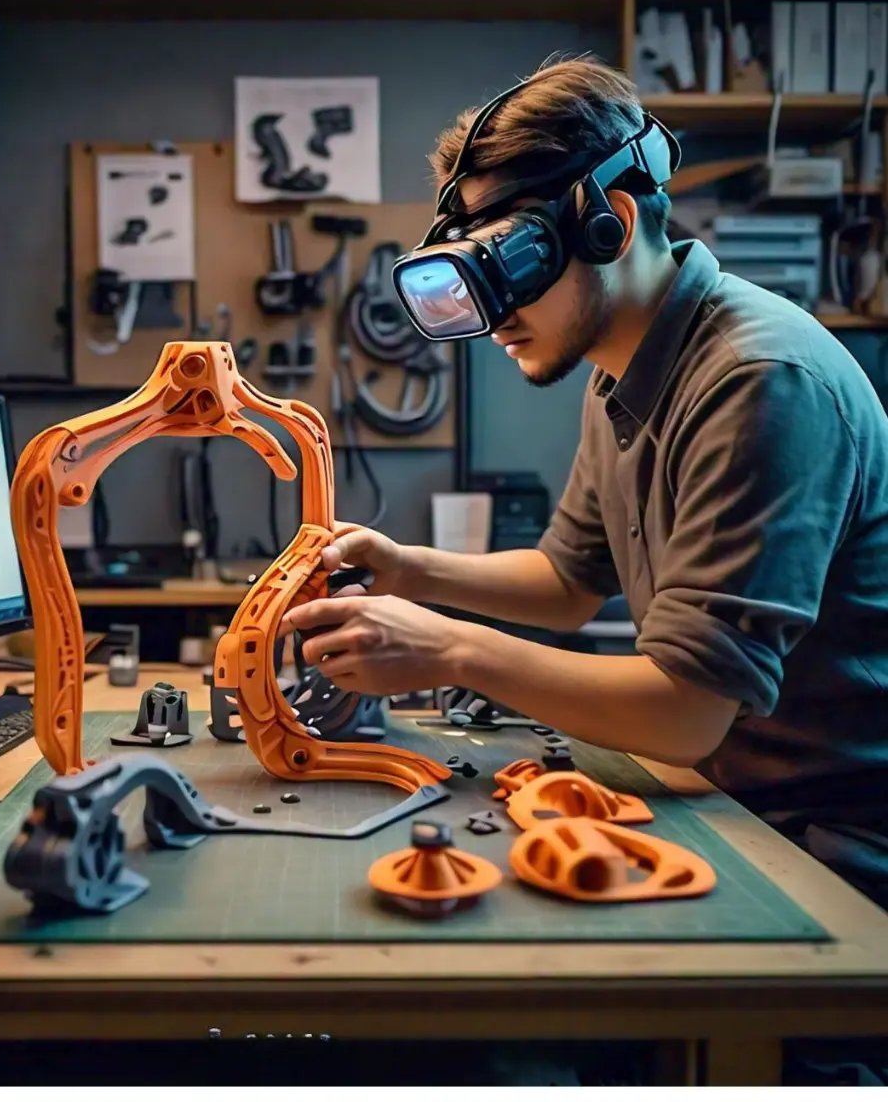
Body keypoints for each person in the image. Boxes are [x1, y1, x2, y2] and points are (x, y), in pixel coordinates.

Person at [281, 55, 888, 907]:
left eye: (513, 268)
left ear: (616, 219)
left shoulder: (762, 379)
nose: (493, 321)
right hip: (729, 798)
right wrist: (409, 570)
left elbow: (685, 711)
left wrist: (445, 646)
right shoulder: (622, 369)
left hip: (831, 843)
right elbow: (569, 582)